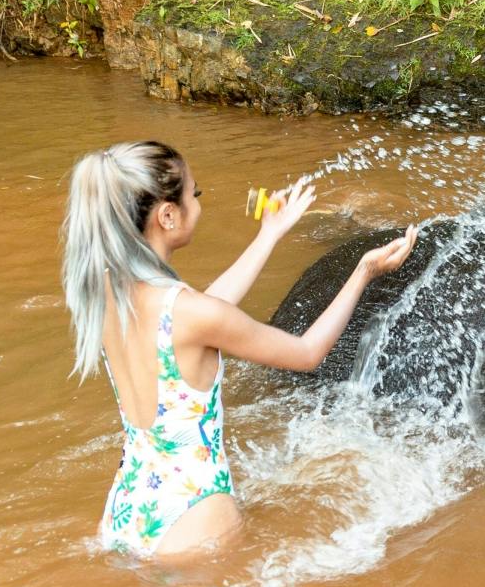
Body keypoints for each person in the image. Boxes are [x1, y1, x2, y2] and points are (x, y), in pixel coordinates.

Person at [62, 141, 416, 562]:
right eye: (194, 194)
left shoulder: (106, 295)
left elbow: (207, 312)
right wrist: (364, 272)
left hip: (126, 509)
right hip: (194, 517)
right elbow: (307, 353)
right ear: (167, 215)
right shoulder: (193, 314)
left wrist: (270, 233)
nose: (198, 204)